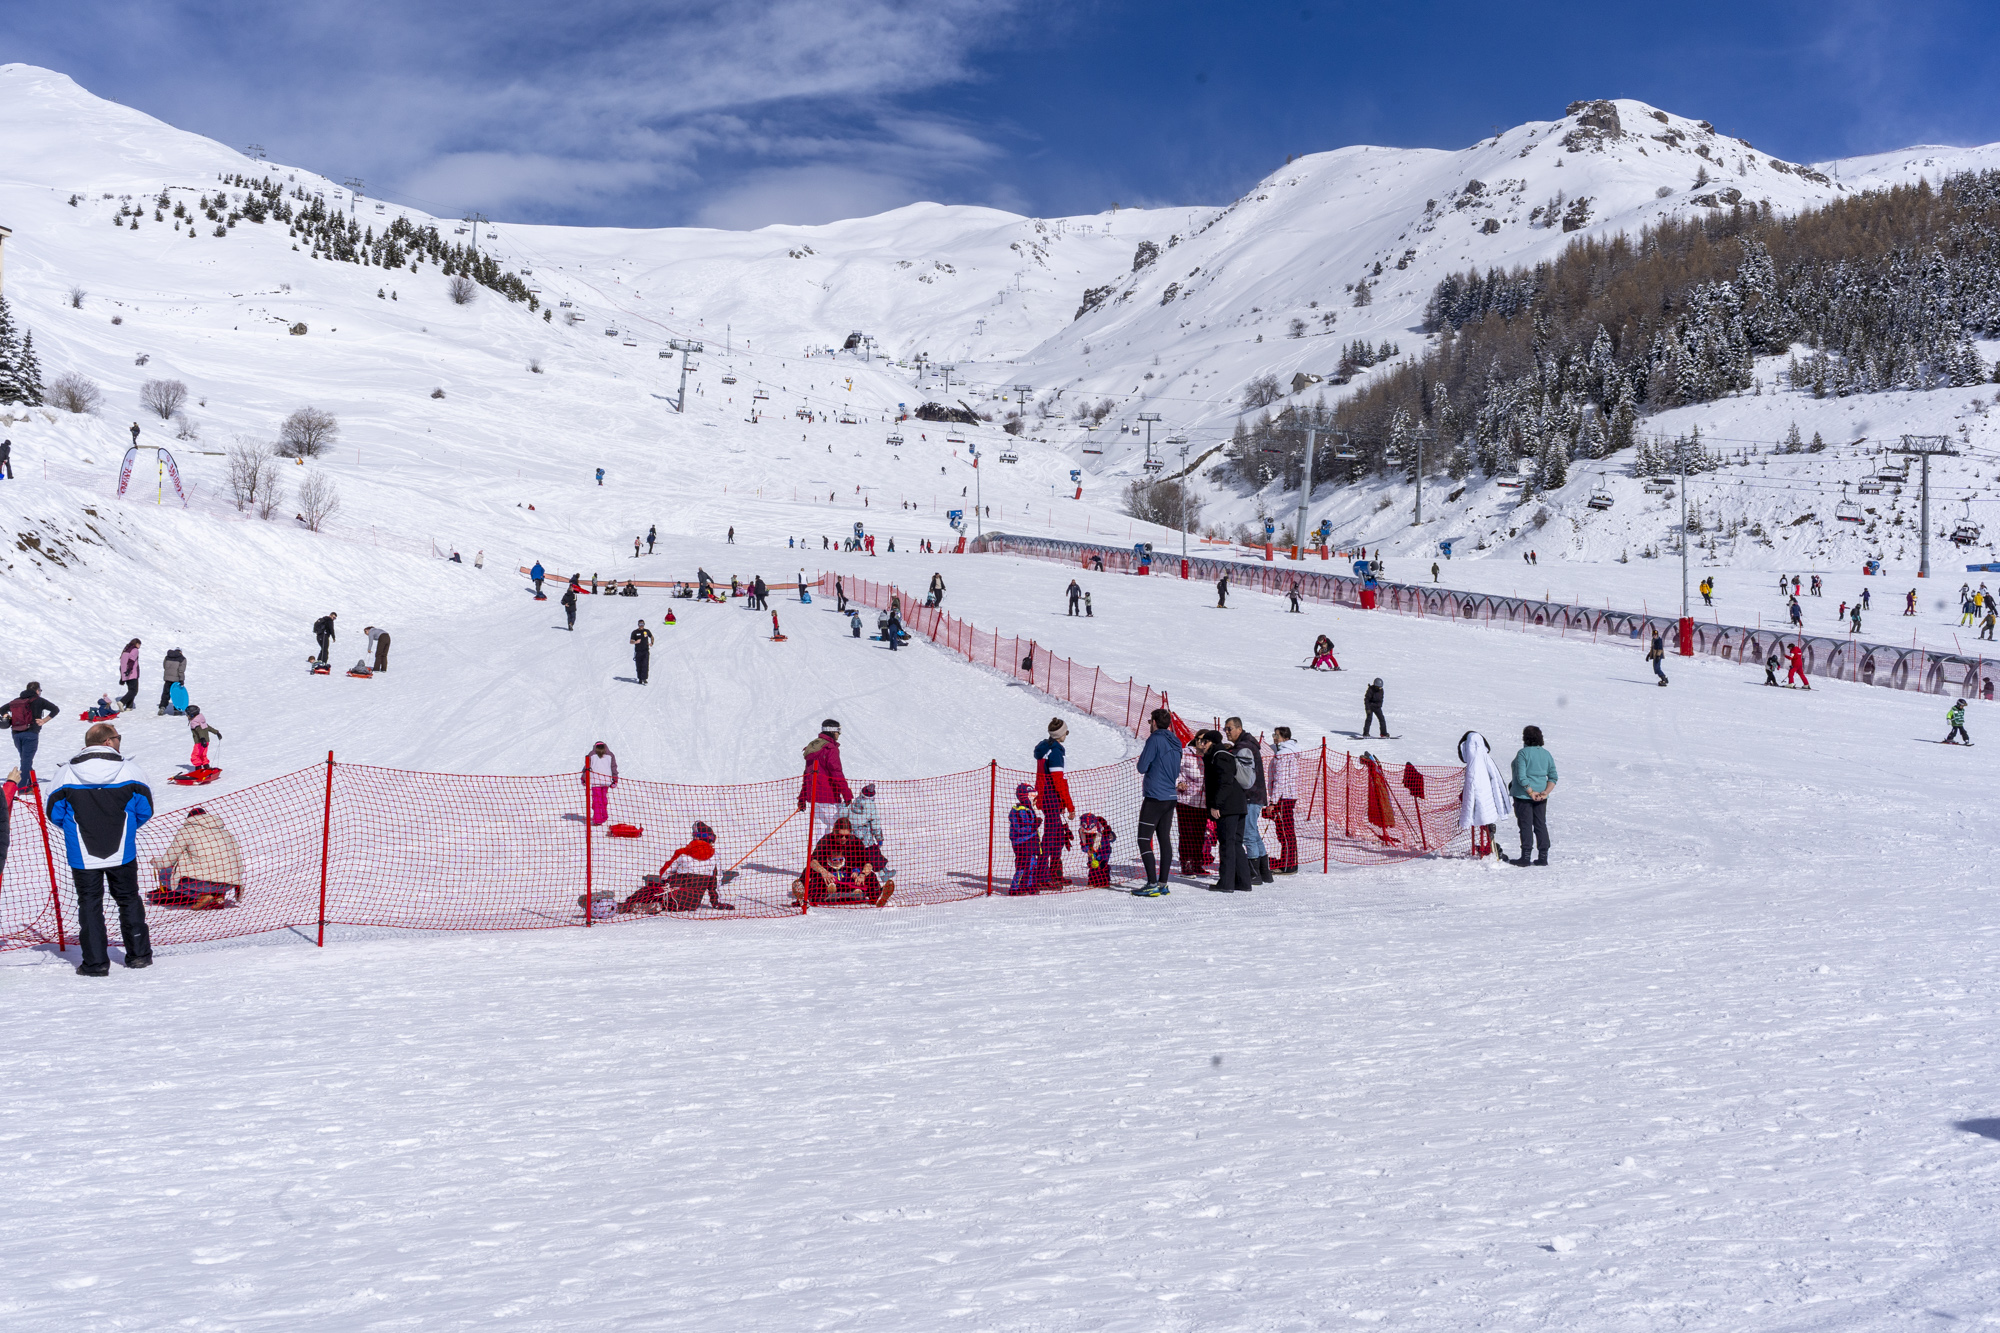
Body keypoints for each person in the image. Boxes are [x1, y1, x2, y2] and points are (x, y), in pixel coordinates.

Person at [46, 722, 154, 974]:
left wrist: (76, 830)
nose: (119, 741)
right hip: (123, 851)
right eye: (118, 737)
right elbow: (145, 810)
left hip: (82, 854)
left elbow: (55, 813)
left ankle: (95, 964)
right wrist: (125, 828)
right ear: (107, 741)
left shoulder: (66, 774)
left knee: (89, 904)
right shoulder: (131, 771)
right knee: (128, 899)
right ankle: (139, 956)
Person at [619, 822, 734, 914]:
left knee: (651, 889)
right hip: (692, 904)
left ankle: (628, 905)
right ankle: (658, 906)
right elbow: (715, 883)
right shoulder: (715, 857)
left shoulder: (682, 853)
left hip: (673, 896)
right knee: (668, 895)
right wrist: (716, 903)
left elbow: (665, 873)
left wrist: (669, 881)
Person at [149, 805, 245, 910]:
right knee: (217, 870)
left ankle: (202, 896)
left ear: (190, 819)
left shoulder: (187, 831)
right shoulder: (227, 834)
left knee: (164, 874)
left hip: (203, 883)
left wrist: (154, 862)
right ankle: (218, 896)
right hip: (229, 884)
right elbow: (238, 862)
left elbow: (167, 862)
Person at [793, 815, 892, 905]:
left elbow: (868, 863)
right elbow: (812, 861)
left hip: (850, 878)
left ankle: (877, 896)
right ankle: (802, 896)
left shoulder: (855, 842)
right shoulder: (826, 840)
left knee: (871, 875)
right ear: (834, 832)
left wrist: (862, 874)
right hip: (829, 877)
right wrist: (823, 872)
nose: (844, 838)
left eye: (847, 836)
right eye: (840, 836)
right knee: (808, 871)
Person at [1133, 707, 1180, 896]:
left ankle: (1152, 883)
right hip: (1170, 796)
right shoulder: (1176, 741)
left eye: (1149, 722)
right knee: (1164, 839)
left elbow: (1142, 766)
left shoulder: (1154, 739)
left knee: (1143, 839)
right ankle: (1163, 883)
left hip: (1155, 796)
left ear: (1154, 722)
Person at [1200, 730, 1252, 892]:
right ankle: (1243, 882)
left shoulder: (1220, 756)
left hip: (1229, 807)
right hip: (1238, 805)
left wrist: (1216, 805)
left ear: (1212, 743)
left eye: (1205, 742)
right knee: (1235, 843)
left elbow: (1225, 782)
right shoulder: (1222, 754)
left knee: (1227, 844)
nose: (1202, 745)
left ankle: (1226, 883)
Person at [1225, 717, 1271, 883]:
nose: (1227, 732)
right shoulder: (1246, 744)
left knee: (1248, 834)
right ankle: (1264, 872)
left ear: (1239, 728)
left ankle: (1254, 873)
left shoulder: (1244, 746)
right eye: (1225, 729)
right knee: (1253, 832)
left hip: (1251, 795)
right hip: (1254, 794)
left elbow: (1239, 771)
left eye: (1229, 729)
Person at [1457, 730, 1512, 869]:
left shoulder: (1474, 766)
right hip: (1489, 803)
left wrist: (1465, 819)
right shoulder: (1485, 759)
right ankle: (1488, 846)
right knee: (1486, 826)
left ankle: (1487, 848)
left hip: (1479, 805)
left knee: (1483, 825)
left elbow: (1470, 790)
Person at [798, 719, 854, 850]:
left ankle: (819, 857)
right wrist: (847, 794)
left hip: (814, 798)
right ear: (832, 731)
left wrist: (803, 797)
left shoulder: (814, 747)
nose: (839, 734)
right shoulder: (830, 748)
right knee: (837, 829)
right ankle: (834, 858)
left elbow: (807, 775)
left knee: (821, 830)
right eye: (838, 731)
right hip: (829, 797)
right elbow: (836, 773)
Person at [1033, 718, 1074, 889]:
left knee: (1057, 837)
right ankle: (1042, 876)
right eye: (1065, 732)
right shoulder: (1055, 752)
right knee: (1050, 838)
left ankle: (1055, 873)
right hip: (1052, 800)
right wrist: (1069, 805)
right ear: (1060, 734)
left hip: (1048, 798)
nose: (1066, 735)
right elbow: (1058, 781)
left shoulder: (1046, 748)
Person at [1508, 725, 1557, 867]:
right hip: (1541, 797)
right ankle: (1543, 856)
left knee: (1525, 825)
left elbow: (1521, 776)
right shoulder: (1546, 754)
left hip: (1523, 796)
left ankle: (1525, 857)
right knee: (1540, 824)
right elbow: (1553, 776)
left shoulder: (1523, 753)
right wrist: (1545, 792)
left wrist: (1530, 791)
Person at [1174, 727, 1210, 876]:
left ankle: (1197, 863)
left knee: (1199, 834)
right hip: (1186, 800)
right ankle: (1186, 863)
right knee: (1186, 833)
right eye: (1200, 739)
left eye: (1206, 740)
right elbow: (1174, 770)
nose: (1202, 743)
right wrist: (1178, 782)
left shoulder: (1209, 755)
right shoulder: (1185, 753)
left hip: (1202, 801)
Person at [9, 682, 59, 784]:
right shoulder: (39, 700)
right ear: (37, 690)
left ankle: (31, 782)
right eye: (40, 691)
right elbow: (55, 709)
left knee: (25, 760)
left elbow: (2, 710)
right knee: (26, 761)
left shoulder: (16, 701)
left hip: (16, 733)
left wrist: (9, 718)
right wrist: (44, 720)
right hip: (30, 734)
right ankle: (22, 787)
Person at [1268, 726, 1300, 874]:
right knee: (1287, 831)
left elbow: (1280, 780)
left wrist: (1273, 801)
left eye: (1277, 736)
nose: (1274, 738)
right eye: (1274, 735)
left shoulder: (1283, 754)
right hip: (1289, 796)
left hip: (1283, 797)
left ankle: (1288, 865)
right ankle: (1289, 862)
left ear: (1285, 738)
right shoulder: (1290, 751)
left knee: (1284, 832)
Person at [1006, 782, 1040, 894]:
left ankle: (1029, 885)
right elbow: (1020, 828)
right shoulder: (1020, 810)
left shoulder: (1027, 808)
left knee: (1032, 863)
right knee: (1023, 864)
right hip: (1022, 843)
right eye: (1031, 795)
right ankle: (1015, 887)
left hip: (1030, 841)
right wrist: (1034, 825)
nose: (1033, 798)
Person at [583, 741, 617, 826]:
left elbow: (587, 767)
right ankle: (604, 816)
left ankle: (598, 819)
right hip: (606, 781)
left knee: (597, 800)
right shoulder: (610, 755)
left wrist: (584, 778)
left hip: (596, 781)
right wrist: (615, 779)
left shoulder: (591, 754)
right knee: (603, 799)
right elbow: (613, 767)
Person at [185, 704, 221, 770]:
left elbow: (199, 730)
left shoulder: (194, 722)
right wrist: (217, 732)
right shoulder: (201, 720)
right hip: (206, 741)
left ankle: (198, 768)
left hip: (199, 742)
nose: (187, 716)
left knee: (195, 755)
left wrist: (202, 738)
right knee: (203, 755)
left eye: (187, 714)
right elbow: (208, 727)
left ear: (192, 714)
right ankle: (206, 766)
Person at [157, 647, 187, 714]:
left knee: (165, 693)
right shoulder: (182, 659)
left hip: (167, 678)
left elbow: (164, 666)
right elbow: (181, 671)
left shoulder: (167, 657)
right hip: (176, 680)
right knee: (177, 694)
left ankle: (162, 707)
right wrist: (181, 680)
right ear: (180, 652)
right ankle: (177, 709)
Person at [116, 637, 141, 711]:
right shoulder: (135, 650)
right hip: (132, 673)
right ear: (136, 644)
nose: (139, 647)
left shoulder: (125, 650)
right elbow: (131, 660)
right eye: (139, 644)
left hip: (125, 674)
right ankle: (122, 702)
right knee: (134, 691)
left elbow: (122, 664)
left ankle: (129, 706)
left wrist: (122, 677)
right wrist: (129, 669)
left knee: (130, 690)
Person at [630, 619, 654, 684]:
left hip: (645, 651)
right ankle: (640, 679)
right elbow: (631, 641)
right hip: (638, 652)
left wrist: (652, 643)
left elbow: (652, 637)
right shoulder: (635, 632)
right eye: (640, 624)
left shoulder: (647, 631)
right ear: (638, 625)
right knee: (639, 665)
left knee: (645, 665)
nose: (641, 626)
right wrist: (635, 642)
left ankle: (644, 678)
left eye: (642, 624)